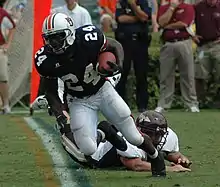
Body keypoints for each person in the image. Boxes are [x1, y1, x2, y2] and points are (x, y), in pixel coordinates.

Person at [34, 13, 166, 177]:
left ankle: (155, 157)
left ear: (69, 32)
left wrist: (118, 64)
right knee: (88, 149)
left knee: (134, 137)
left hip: (102, 91)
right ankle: (105, 132)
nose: (53, 42)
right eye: (49, 38)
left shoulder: (89, 37)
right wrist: (61, 115)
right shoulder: (44, 59)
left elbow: (115, 45)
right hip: (79, 101)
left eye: (58, 36)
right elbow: (51, 91)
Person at [61, 111, 192, 172]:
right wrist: (170, 169)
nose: (157, 137)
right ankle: (57, 109)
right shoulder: (132, 139)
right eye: (152, 133)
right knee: (66, 128)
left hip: (109, 140)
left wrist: (181, 159)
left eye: (159, 134)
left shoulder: (168, 136)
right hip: (91, 155)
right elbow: (135, 164)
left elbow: (171, 153)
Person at [155, 0, 199, 113]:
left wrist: (167, 26)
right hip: (168, 44)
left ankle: (191, 104)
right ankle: (163, 104)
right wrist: (171, 8)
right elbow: (161, 22)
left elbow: (184, 23)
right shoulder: (164, 8)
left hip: (184, 42)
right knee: (166, 76)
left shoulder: (188, 7)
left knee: (188, 75)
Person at [115, 0, 151, 112]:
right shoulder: (121, 2)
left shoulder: (143, 2)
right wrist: (138, 17)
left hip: (140, 42)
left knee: (141, 74)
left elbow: (145, 17)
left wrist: (133, 6)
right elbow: (120, 19)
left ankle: (142, 105)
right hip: (125, 42)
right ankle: (121, 106)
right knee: (122, 74)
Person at [194, 0, 220, 102]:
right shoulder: (198, 7)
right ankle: (199, 101)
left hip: (217, 44)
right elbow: (188, 21)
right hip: (203, 45)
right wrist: (193, 35)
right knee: (199, 74)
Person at [0, 0, 16, 114]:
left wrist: (8, 44)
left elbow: (12, 27)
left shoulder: (2, 13)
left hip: (0, 48)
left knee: (2, 77)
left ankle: (6, 105)